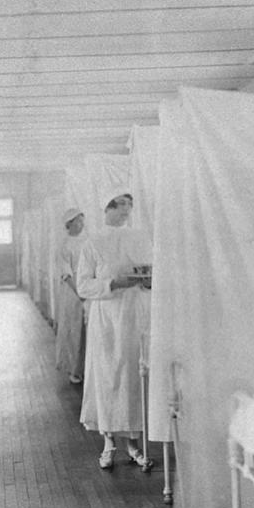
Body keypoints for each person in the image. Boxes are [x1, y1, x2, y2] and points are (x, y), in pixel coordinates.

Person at [76, 193, 152, 470]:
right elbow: (83, 286)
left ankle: (133, 443)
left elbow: (150, 275)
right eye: (120, 205)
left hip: (134, 316)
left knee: (133, 377)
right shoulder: (93, 242)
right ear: (106, 207)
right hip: (107, 319)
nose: (126, 211)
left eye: (129, 206)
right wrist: (113, 284)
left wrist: (147, 281)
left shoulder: (139, 237)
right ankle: (108, 442)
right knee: (108, 377)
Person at [56, 207, 88, 384]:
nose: (81, 225)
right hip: (72, 291)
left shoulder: (86, 242)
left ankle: (85, 368)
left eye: (83, 221)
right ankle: (74, 369)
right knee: (73, 330)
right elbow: (66, 274)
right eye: (78, 222)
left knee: (85, 331)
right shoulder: (65, 245)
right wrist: (80, 292)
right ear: (70, 224)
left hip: (85, 289)